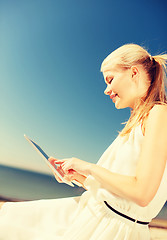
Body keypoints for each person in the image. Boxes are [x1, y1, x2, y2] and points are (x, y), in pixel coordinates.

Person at [0, 43, 167, 240]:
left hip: (112, 230)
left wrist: (87, 167)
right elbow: (117, 194)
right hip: (98, 216)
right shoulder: (136, 121)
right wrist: (77, 176)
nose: (106, 90)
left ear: (134, 73)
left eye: (110, 79)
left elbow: (142, 193)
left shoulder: (159, 113)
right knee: (11, 216)